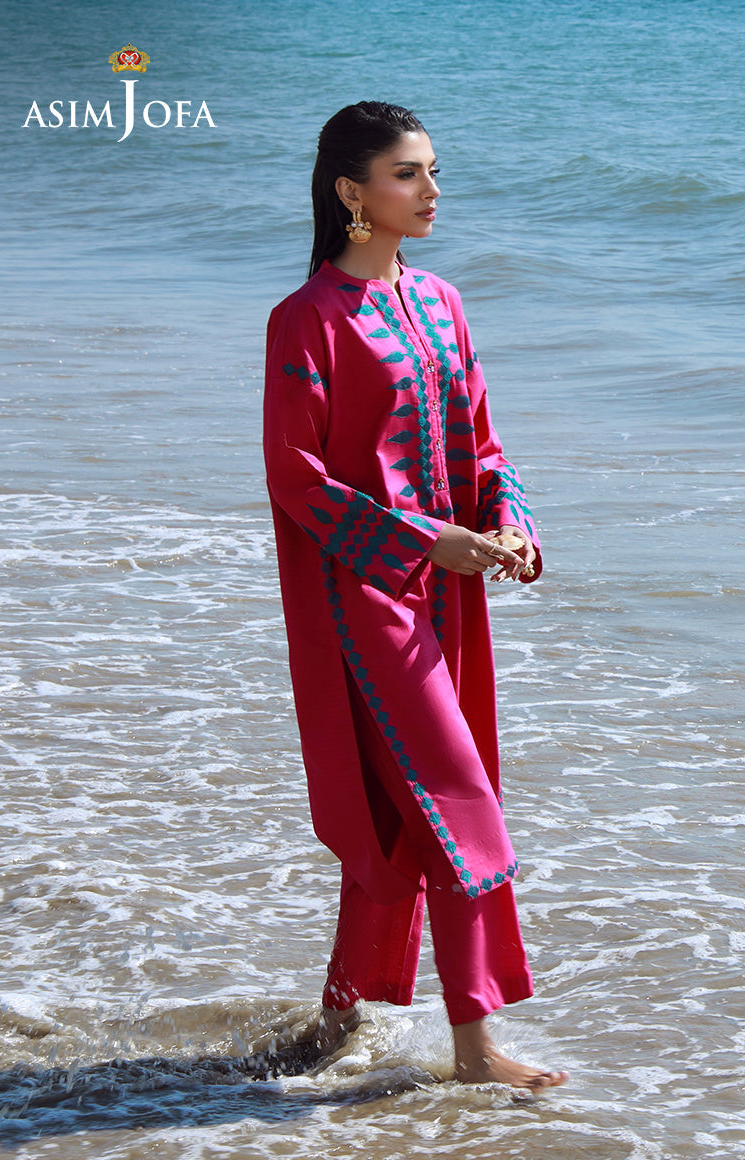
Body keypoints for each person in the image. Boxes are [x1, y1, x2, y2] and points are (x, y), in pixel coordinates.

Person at [263, 101, 567, 1090]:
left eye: (433, 170)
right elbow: (296, 477)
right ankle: (475, 1050)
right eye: (407, 173)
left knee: (403, 819)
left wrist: (510, 524)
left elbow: (483, 444)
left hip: (452, 597)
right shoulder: (307, 320)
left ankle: (335, 1020)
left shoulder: (442, 302)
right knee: (459, 805)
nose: (431, 190)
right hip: (367, 600)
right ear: (352, 192)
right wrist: (422, 540)